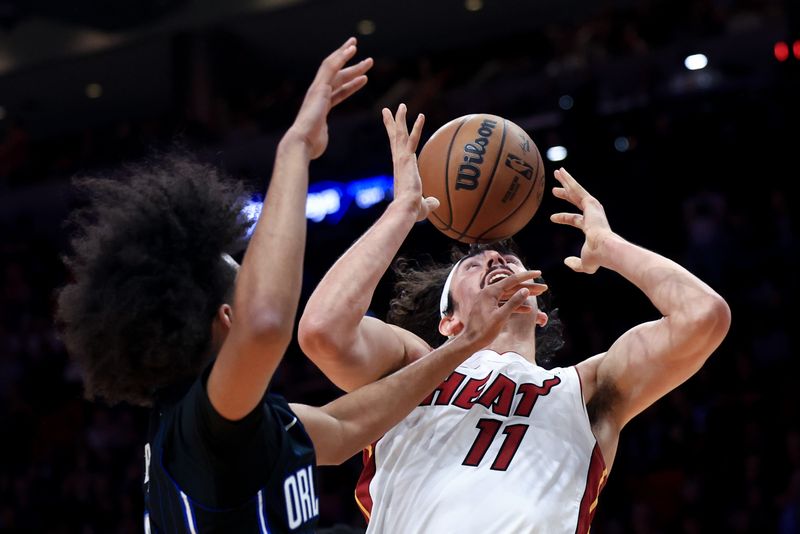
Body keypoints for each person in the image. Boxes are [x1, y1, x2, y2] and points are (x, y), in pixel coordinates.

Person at [54, 39, 539, 533]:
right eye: (245, 286)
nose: (258, 290)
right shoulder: (204, 424)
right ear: (227, 318)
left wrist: (404, 218)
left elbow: (349, 428)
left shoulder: (233, 424)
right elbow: (266, 324)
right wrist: (296, 148)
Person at [297, 104, 732, 533]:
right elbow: (324, 329)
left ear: (538, 310)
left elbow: (703, 316)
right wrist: (400, 213)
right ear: (447, 322)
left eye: (508, 258)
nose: (495, 260)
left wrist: (610, 246)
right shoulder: (412, 369)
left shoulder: (584, 390)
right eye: (472, 266)